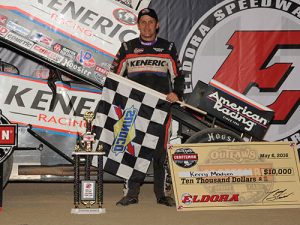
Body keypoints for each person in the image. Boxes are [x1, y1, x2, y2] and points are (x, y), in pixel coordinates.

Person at [110, 8, 184, 207]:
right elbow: (114, 77)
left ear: (157, 25)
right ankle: (131, 193)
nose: (147, 26)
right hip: (134, 108)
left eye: (151, 22)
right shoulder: (127, 47)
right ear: (138, 25)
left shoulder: (168, 47)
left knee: (160, 152)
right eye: (143, 22)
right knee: (132, 151)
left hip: (161, 108)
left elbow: (178, 76)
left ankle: (161, 194)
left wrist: (176, 93)